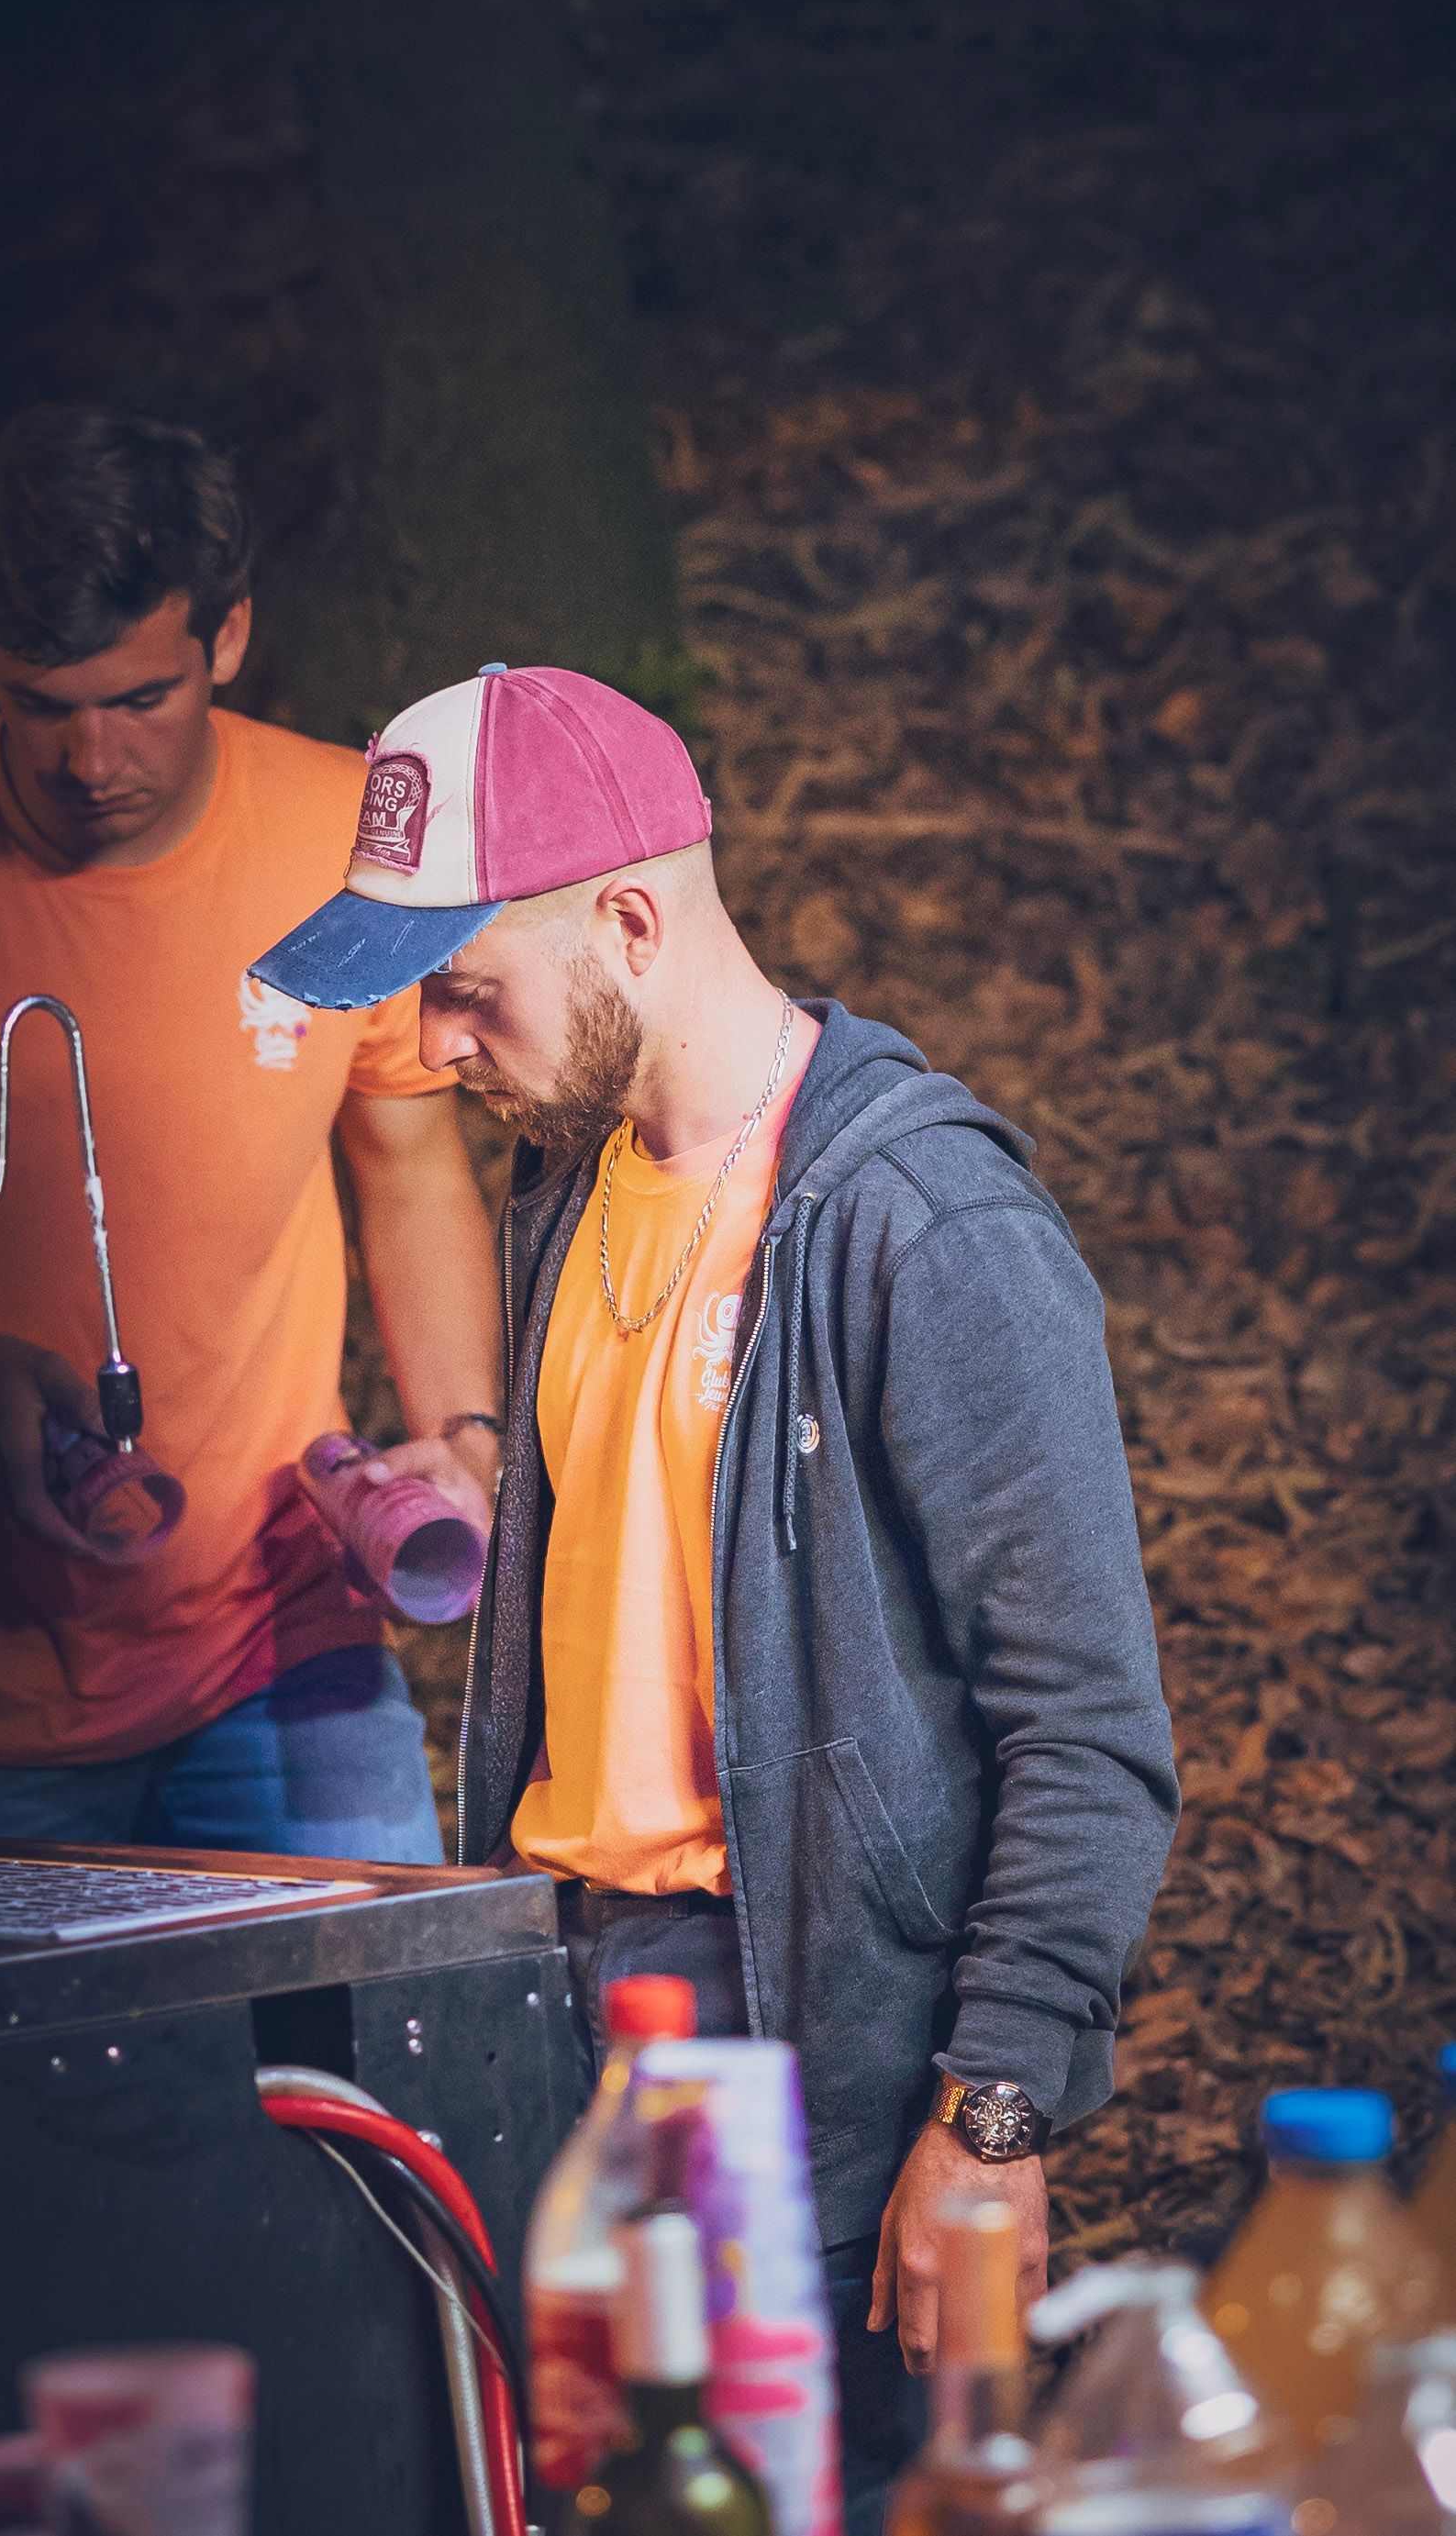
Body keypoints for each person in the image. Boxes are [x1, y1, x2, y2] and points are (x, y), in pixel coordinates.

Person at [253, 662, 1181, 2528]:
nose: (431, 1043)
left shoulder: (922, 1226)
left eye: (464, 984)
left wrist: (988, 2113)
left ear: (625, 920)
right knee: (622, 2505)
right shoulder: (563, 1189)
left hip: (828, 2047)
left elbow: (1085, 1729)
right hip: (584, 2017)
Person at [0, 406, 502, 1861]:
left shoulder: (344, 840)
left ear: (229, 636)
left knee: (382, 2012)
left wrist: (465, 1435)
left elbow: (411, 1162)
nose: (90, 758)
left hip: (284, 1650)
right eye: (40, 705)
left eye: (140, 698)